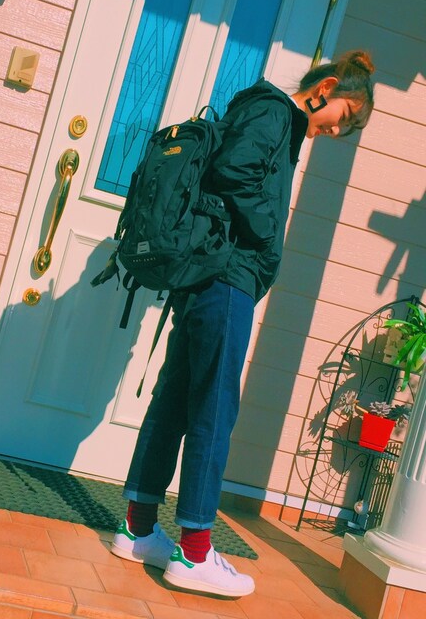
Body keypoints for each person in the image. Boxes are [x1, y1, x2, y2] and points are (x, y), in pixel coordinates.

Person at [110, 50, 376, 597]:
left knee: (175, 397)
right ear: (326, 89)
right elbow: (234, 172)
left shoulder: (271, 115)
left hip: (206, 274)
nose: (336, 130)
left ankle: (138, 530)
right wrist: (268, 238)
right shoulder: (274, 111)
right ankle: (195, 553)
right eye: (343, 117)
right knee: (214, 409)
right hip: (226, 277)